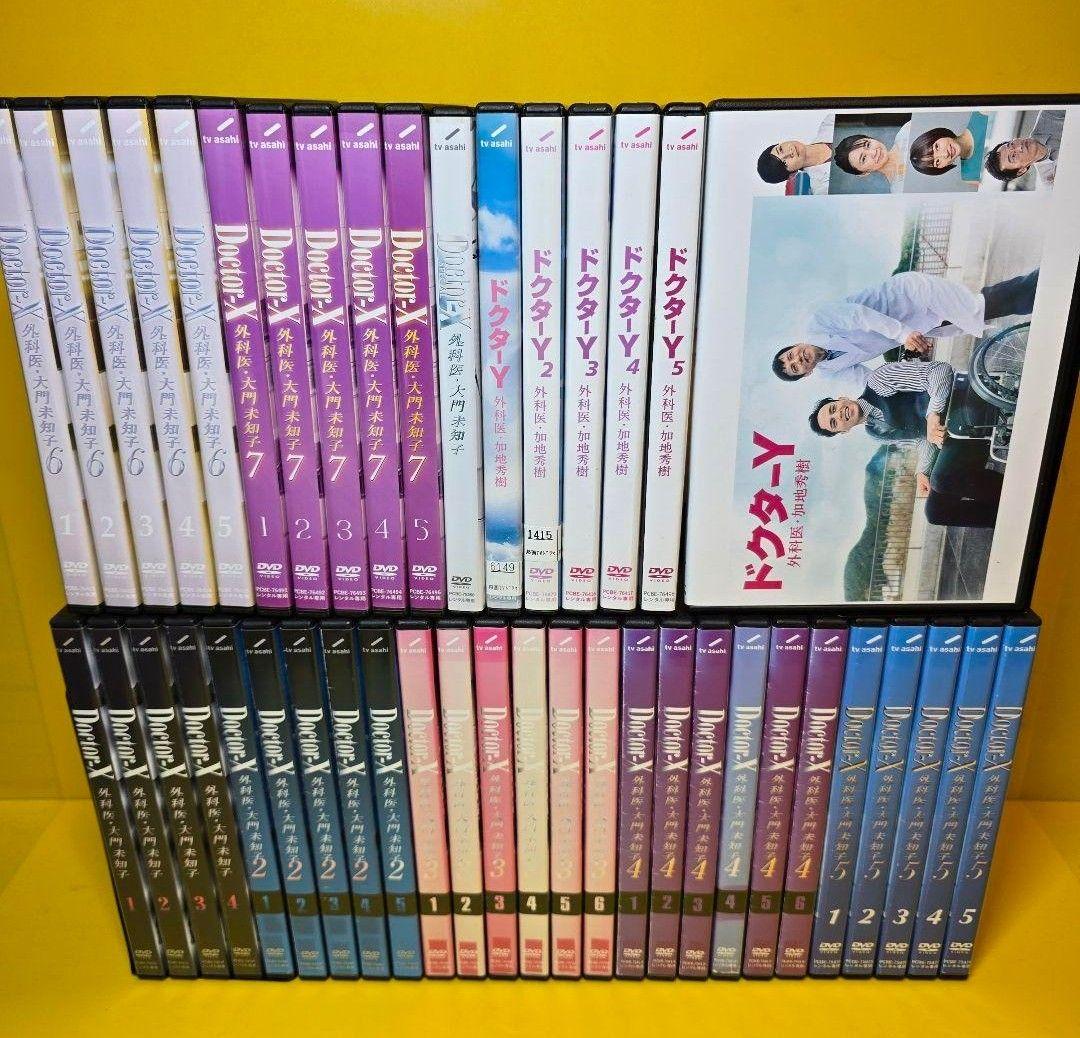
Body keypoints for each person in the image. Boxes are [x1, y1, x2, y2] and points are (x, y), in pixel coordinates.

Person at [772, 269, 1039, 382]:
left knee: (977, 309)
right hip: (918, 327)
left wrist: (903, 334)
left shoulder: (818, 321)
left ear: (795, 345)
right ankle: (1040, 286)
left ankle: (1044, 285)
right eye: (795, 367)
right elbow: (870, 381)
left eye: (791, 355)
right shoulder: (830, 371)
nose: (798, 359)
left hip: (907, 296)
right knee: (978, 313)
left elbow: (861, 316)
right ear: (806, 374)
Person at [808, 360, 954, 496]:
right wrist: (922, 472)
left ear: (842, 399)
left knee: (942, 483)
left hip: (958, 400)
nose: (838, 414)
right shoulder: (876, 434)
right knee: (934, 503)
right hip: (952, 435)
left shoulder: (878, 380)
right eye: (834, 422)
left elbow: (940, 370)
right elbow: (922, 439)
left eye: (833, 408)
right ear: (844, 431)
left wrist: (933, 413)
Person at [985, 109, 1065, 188]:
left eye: (1011, 144)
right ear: (1021, 171)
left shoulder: (1049, 114)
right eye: (1013, 156)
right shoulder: (1050, 181)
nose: (1019, 147)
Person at [757, 115, 835, 194]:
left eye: (780, 149)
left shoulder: (830, 122)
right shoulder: (823, 189)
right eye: (784, 163)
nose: (789, 153)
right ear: (792, 174)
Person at [909, 111, 990, 184]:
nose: (945, 154)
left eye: (937, 147)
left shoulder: (981, 114)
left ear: (938, 135)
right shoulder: (968, 176)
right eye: (937, 162)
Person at [834, 122, 910, 192]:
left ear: (871, 138)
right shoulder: (899, 190)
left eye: (868, 145)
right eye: (864, 158)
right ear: (863, 173)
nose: (874, 152)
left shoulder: (906, 132)